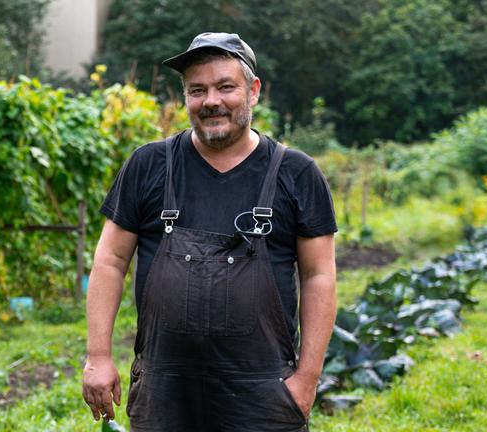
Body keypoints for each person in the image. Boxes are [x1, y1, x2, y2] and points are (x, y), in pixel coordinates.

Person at [82, 32, 337, 431]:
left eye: (225, 87)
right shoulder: (149, 165)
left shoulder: (296, 173)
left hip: (262, 393)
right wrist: (98, 356)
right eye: (197, 90)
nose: (211, 101)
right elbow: (110, 260)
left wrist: (307, 379)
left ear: (253, 91)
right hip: (164, 390)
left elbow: (318, 275)